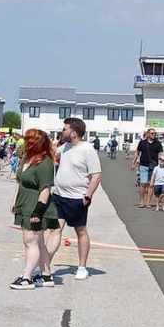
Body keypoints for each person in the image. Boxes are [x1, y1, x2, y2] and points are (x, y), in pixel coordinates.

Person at [9, 129, 61, 290]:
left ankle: (27, 277)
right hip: (25, 204)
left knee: (30, 242)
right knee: (38, 242)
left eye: (29, 140)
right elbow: (22, 183)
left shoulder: (44, 162)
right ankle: (46, 275)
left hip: (36, 207)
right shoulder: (27, 159)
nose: (25, 142)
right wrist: (16, 203)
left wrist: (37, 212)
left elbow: (45, 190)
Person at [52, 118, 102, 280]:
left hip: (76, 198)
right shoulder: (65, 147)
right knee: (54, 230)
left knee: (80, 231)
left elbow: (96, 175)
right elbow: (53, 156)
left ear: (74, 132)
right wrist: (53, 146)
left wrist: (88, 194)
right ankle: (45, 266)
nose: (62, 132)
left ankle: (82, 267)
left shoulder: (87, 149)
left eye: (65, 129)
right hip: (59, 195)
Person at [132, 129, 164, 209]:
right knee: (142, 184)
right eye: (152, 133)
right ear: (148, 134)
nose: (154, 135)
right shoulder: (142, 143)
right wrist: (134, 163)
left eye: (155, 133)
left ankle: (148, 202)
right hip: (143, 165)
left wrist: (162, 164)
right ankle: (142, 201)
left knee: (151, 184)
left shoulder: (158, 143)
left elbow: (160, 154)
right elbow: (137, 153)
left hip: (154, 166)